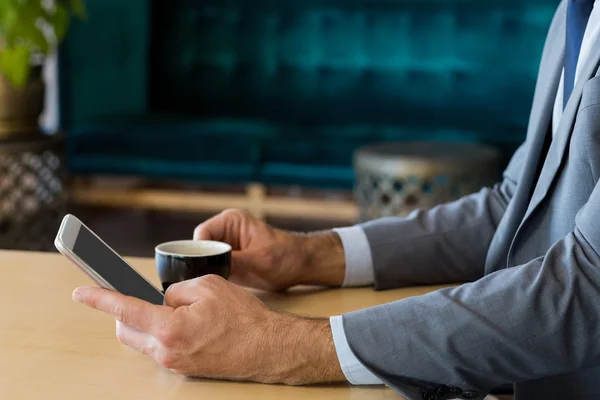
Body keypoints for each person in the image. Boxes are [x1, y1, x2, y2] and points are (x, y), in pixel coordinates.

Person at [72, 1, 600, 398]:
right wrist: (307, 254)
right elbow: (514, 204)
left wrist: (281, 344)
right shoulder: (575, 14)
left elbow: (587, 290)